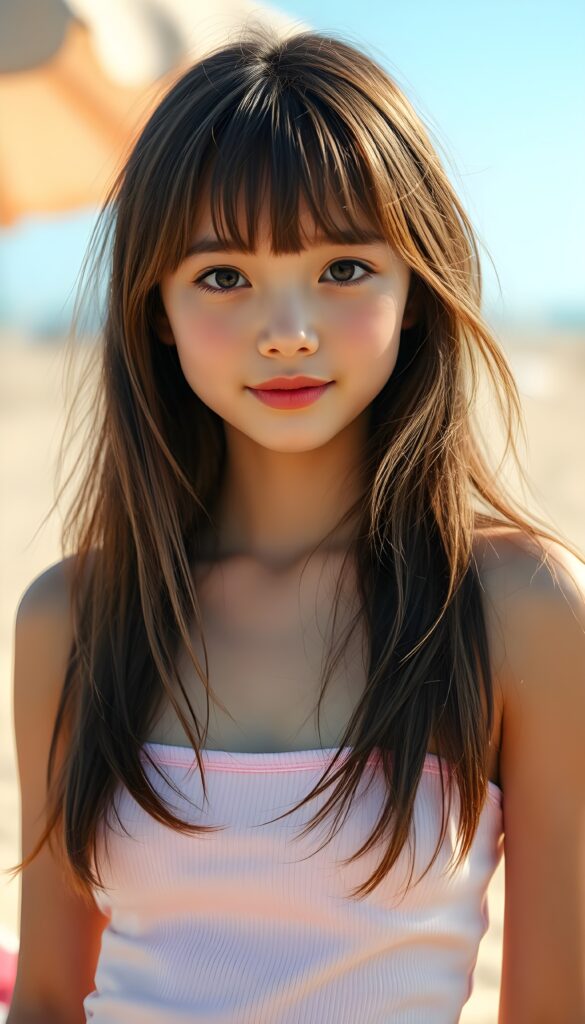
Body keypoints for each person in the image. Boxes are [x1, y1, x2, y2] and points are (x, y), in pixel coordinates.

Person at [5, 26, 585, 1024]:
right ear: (157, 310)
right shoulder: (75, 616)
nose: (287, 328)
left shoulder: (516, 609)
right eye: (223, 275)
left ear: (415, 287)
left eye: (344, 268)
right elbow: (52, 997)